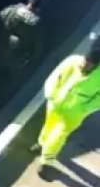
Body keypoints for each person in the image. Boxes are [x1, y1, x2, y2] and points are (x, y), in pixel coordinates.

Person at [32, 45, 100, 179]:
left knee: (59, 136)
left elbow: (98, 99)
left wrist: (83, 110)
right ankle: (42, 143)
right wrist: (51, 95)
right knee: (49, 126)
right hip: (55, 104)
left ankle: (46, 161)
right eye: (86, 63)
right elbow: (55, 77)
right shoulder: (73, 61)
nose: (85, 67)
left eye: (90, 66)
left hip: (74, 113)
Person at [0, 0, 42, 71]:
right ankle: (14, 65)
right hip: (10, 39)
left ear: (30, 0)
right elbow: (34, 38)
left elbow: (2, 15)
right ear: (37, 9)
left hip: (3, 32)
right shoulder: (32, 20)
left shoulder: (17, 7)